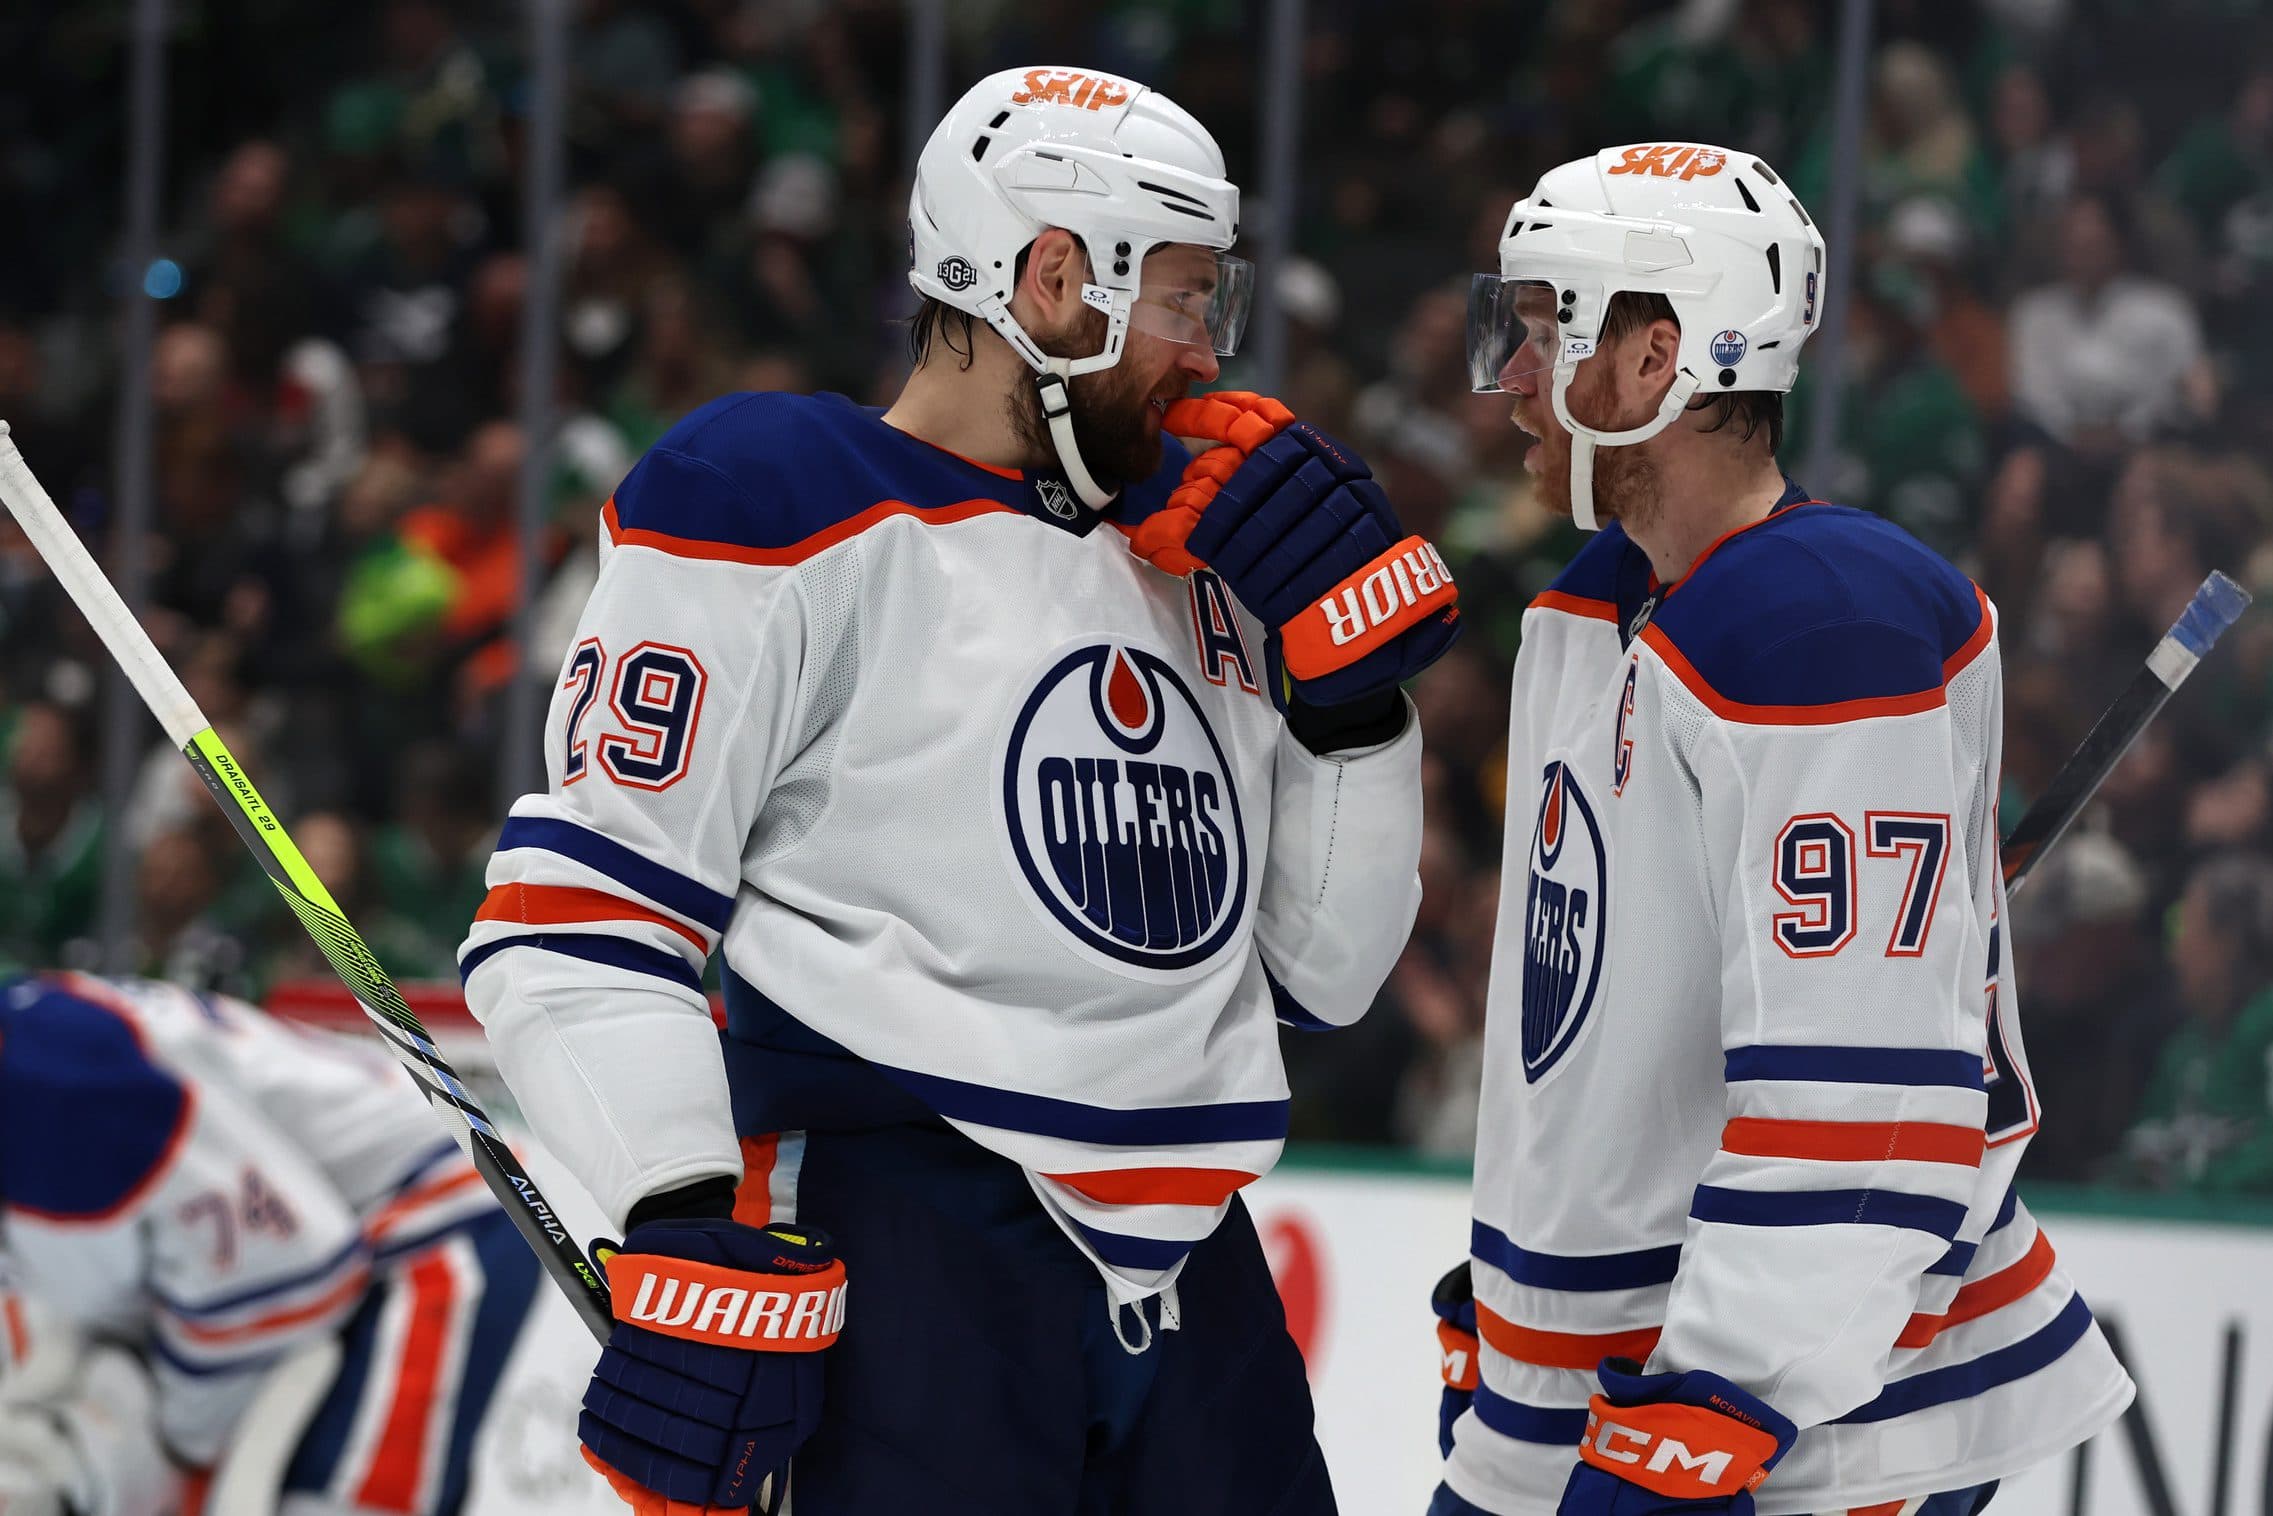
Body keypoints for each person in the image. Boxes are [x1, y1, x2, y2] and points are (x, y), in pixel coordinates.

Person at [460, 65, 1461, 1516]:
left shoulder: (1204, 562)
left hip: (1198, 1283)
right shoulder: (776, 495)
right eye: (1183, 302)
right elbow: (581, 923)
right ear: (1054, 279)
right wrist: (682, 1221)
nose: (1209, 355)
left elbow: (1327, 976)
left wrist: (1355, 710)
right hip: (903, 1250)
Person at [1430, 143, 2133, 1516]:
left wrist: (1707, 1413)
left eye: (1539, 331)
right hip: (1603, 1387)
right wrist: (1516, 1317)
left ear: (1652, 362)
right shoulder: (1601, 602)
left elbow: (1863, 1111)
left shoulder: (1818, 627)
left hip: (1802, 1436)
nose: (1509, 379)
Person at [0, 972, 546, 1514]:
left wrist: (180, 1449)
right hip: (318, 1252)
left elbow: (293, 1276)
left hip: (435, 1212)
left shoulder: (53, 1086)